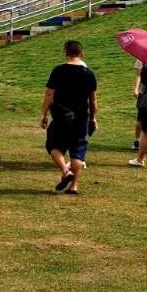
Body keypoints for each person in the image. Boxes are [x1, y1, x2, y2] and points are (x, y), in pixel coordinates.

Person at [41, 40, 97, 194]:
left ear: (65, 52)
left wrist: (43, 114)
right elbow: (93, 100)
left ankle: (65, 171)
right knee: (77, 152)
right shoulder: (89, 73)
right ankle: (74, 186)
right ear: (82, 54)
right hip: (81, 117)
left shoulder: (58, 71)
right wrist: (93, 118)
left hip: (61, 116)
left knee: (53, 146)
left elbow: (49, 93)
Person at [130, 60, 147, 156]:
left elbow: (139, 74)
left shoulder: (142, 56)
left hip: (144, 91)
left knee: (140, 117)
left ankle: (137, 141)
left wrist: (136, 89)